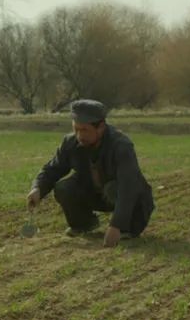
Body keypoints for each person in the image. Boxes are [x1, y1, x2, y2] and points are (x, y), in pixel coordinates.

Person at [26, 99, 155, 247]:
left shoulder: (121, 146)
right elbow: (53, 168)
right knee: (64, 188)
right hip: (96, 193)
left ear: (100, 127)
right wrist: (38, 188)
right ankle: (83, 224)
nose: (79, 135)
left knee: (114, 189)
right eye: (76, 129)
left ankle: (128, 228)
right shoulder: (70, 142)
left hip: (129, 200)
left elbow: (128, 188)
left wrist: (117, 226)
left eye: (84, 130)